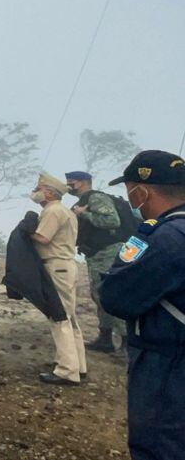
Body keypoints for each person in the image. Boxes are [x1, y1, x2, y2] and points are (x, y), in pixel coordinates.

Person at [101, 150, 185, 460]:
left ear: (141, 192)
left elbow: (115, 296)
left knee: (158, 444)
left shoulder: (163, 238)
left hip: (167, 361)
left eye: (129, 190)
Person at [27, 172, 87, 385]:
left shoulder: (53, 211)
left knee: (59, 317)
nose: (35, 192)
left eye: (39, 188)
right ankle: (78, 365)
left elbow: (43, 238)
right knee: (69, 318)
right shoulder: (64, 211)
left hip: (56, 266)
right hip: (66, 267)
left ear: (50, 193)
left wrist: (26, 232)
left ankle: (67, 371)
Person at [64, 170, 129, 353]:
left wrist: (84, 214)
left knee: (110, 294)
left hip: (108, 252)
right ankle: (105, 338)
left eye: (71, 182)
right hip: (95, 254)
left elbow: (112, 221)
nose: (68, 186)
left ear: (83, 182)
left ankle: (126, 341)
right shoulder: (83, 201)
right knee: (99, 295)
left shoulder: (96, 198)